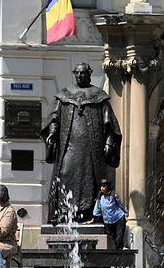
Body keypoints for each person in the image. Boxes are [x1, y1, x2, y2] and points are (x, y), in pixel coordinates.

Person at [41, 62, 122, 224]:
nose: (79, 76)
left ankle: (88, 213)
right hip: (68, 147)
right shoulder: (64, 95)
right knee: (64, 172)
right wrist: (52, 132)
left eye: (83, 73)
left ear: (89, 74)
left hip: (92, 148)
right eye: (77, 73)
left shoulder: (99, 96)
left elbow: (110, 125)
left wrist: (108, 143)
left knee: (91, 178)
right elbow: (54, 118)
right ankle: (64, 211)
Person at [86, 178, 128, 249]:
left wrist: (126, 213)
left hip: (119, 219)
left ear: (107, 187)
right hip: (108, 221)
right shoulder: (100, 197)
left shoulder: (114, 196)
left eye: (104, 186)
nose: (102, 188)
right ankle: (117, 253)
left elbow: (120, 205)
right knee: (111, 238)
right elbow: (97, 209)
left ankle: (120, 253)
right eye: (101, 186)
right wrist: (93, 219)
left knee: (119, 239)